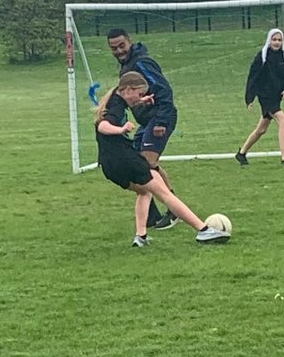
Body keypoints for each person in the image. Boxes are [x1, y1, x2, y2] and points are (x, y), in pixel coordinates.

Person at [95, 72, 230, 247]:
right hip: (126, 160)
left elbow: (118, 109)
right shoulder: (115, 107)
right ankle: (203, 230)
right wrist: (120, 130)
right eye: (140, 94)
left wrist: (140, 102)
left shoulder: (115, 98)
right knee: (164, 192)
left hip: (110, 166)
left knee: (144, 192)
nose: (141, 97)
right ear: (128, 89)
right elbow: (103, 126)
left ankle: (140, 237)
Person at [106, 28, 179, 229]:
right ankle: (153, 215)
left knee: (147, 163)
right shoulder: (128, 65)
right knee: (139, 164)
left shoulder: (141, 62)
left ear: (129, 41)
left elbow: (164, 89)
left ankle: (174, 210)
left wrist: (162, 122)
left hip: (159, 118)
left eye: (122, 45)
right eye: (114, 48)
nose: (119, 51)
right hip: (147, 121)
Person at [235, 27, 284, 167]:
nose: (277, 42)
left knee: (261, 129)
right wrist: (249, 98)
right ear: (269, 41)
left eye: (279, 40)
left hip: (276, 97)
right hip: (265, 97)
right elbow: (253, 78)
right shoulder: (262, 57)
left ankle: (242, 153)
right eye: (274, 40)